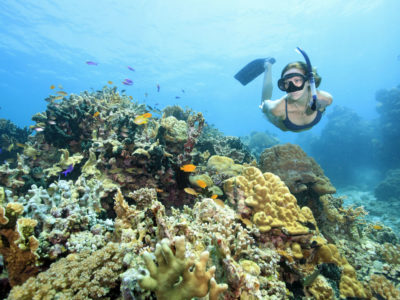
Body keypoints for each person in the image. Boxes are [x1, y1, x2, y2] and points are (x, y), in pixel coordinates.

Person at [259, 58, 332, 132]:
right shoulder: (277, 109)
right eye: (287, 83)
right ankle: (268, 66)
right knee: (264, 103)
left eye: (297, 80)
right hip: (283, 125)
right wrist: (264, 106)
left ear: (309, 81)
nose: (292, 88)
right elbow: (266, 106)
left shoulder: (326, 99)